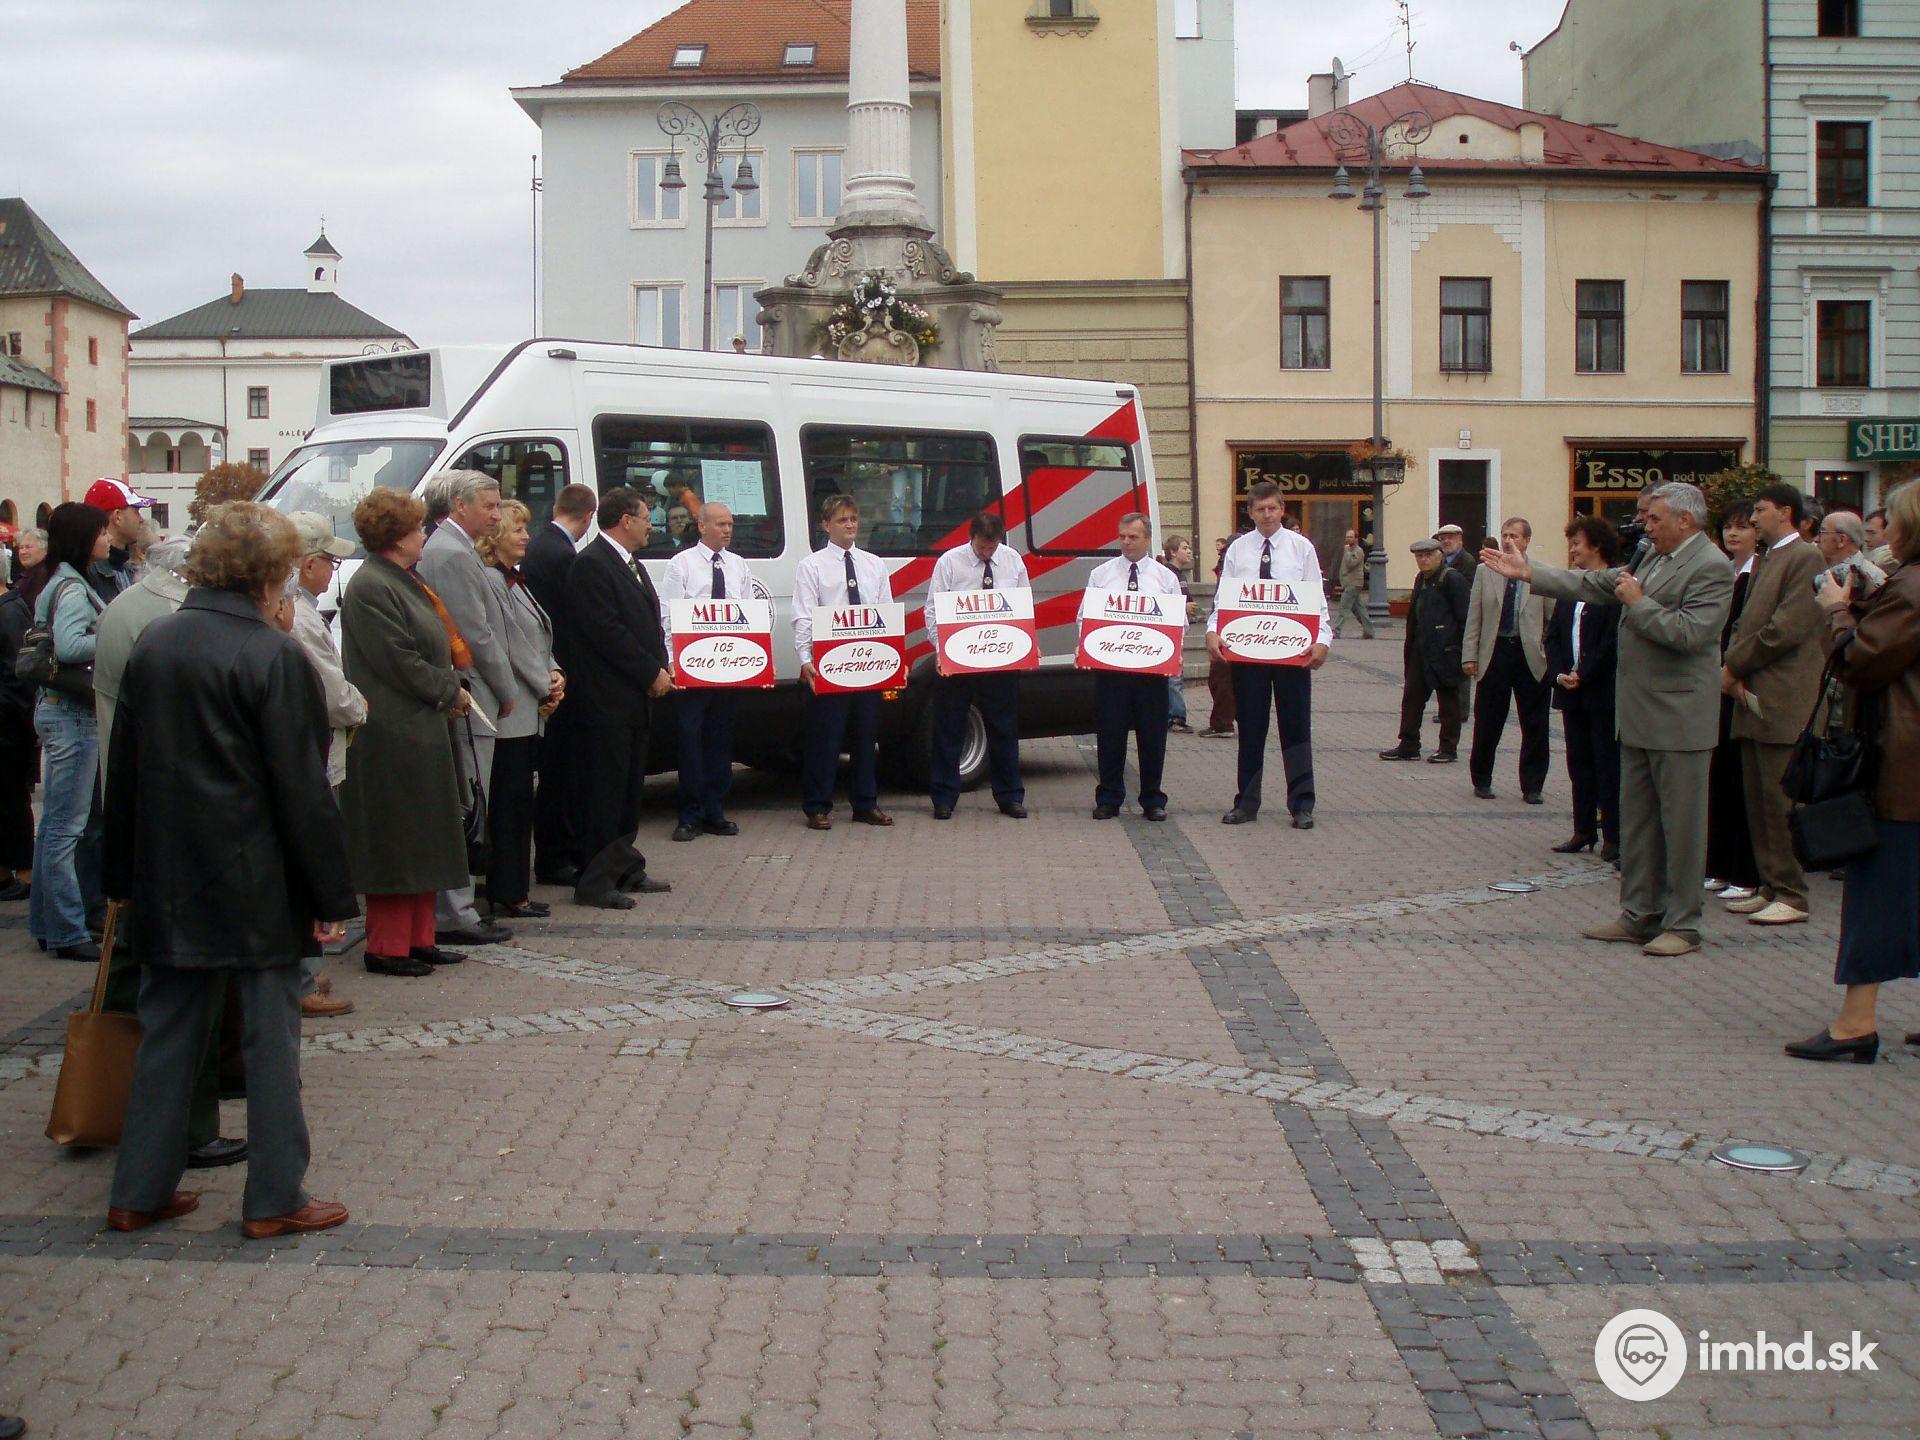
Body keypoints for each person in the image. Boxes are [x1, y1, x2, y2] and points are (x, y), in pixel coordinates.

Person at [102, 502, 358, 1241]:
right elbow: (301, 792)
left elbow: (126, 771)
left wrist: (119, 874)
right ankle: (275, 1193)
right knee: (269, 1044)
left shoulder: (157, 642)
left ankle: (138, 1188)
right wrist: (329, 893)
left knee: (169, 1035)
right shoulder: (274, 657)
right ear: (274, 574)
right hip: (256, 881)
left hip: (171, 873)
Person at [1481, 481, 1734, 957]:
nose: (1646, 525)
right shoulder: (1654, 558)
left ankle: (1684, 923)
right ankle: (1639, 914)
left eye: (1655, 518)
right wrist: (1529, 572)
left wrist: (1638, 602)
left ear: (1686, 520)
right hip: (1637, 712)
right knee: (1637, 822)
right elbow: (1596, 583)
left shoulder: (1711, 566)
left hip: (1679, 717)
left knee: (1680, 829)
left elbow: (1690, 634)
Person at [1784, 481, 1920, 1063]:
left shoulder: (1914, 585)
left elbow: (1861, 660)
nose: (1881, 532)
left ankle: (1855, 1023)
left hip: (1902, 769)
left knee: (1877, 894)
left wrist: (1839, 610)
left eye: (1888, 521)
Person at [339, 489, 473, 977]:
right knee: (398, 842)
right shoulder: (372, 585)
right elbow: (397, 659)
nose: (424, 535)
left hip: (420, 727)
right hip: (393, 732)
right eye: (418, 528)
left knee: (426, 839)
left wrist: (447, 690)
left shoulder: (402, 579)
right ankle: (386, 946)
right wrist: (450, 689)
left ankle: (420, 938)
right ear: (397, 536)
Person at [415, 471, 514, 949]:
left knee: (471, 802)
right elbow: (474, 632)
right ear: (459, 506)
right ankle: (455, 910)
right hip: (471, 695)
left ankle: (456, 906)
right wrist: (504, 684)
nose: (497, 515)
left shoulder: (453, 549)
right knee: (469, 803)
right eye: (490, 505)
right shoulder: (451, 553)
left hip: (470, 692)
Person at [1721, 483, 1825, 926]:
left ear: (1784, 512)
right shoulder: (1767, 558)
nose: (1753, 519)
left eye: (1760, 511)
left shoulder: (1805, 557)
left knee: (1779, 801)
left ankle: (1791, 892)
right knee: (1758, 800)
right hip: (1753, 695)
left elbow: (1786, 629)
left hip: (1782, 699)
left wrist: (1733, 664)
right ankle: (1769, 884)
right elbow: (1747, 619)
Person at [565, 486, 674, 908]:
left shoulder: (631, 563)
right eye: (646, 517)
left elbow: (648, 621)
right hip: (607, 701)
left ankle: (626, 867)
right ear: (625, 520)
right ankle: (594, 881)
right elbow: (606, 631)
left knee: (629, 790)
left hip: (635, 700)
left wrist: (661, 665)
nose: (652, 525)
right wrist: (650, 671)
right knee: (605, 791)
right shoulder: (591, 565)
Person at [1209, 482, 1332, 828]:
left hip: (1294, 653)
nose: (1267, 515)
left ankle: (1302, 804)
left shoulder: (1301, 548)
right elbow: (1224, 599)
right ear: (1249, 513)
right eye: (1260, 509)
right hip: (1248, 655)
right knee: (1250, 728)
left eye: (1272, 509)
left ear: (1282, 509)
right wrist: (1213, 631)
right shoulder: (1238, 551)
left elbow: (1317, 600)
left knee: (1296, 729)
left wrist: (1323, 639)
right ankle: (1246, 802)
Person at [285, 512, 365, 1020]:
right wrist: (360, 706)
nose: (332, 570)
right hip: (317, 751)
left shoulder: (300, 610)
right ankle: (302, 978)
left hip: (319, 748)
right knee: (309, 867)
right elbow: (332, 691)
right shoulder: (297, 615)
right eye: (330, 562)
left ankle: (303, 972)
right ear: (307, 562)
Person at [26, 503, 109, 961]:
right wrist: (113, 633)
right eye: (99, 531)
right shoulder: (72, 587)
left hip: (58, 709)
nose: (106, 537)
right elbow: (72, 644)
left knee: (54, 828)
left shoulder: (59, 580)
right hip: (72, 712)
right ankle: (66, 930)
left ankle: (48, 923)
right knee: (65, 828)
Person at [478, 500, 562, 920]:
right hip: (512, 713)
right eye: (518, 530)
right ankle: (508, 891)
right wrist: (546, 682)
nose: (527, 537)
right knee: (510, 805)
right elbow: (507, 642)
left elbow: (539, 634)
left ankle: (513, 888)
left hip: (530, 704)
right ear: (495, 538)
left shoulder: (516, 580)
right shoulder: (493, 581)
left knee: (518, 802)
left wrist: (554, 671)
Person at [794, 493, 893, 831]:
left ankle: (865, 803)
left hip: (867, 665)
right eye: (842, 520)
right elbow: (803, 616)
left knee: (867, 737)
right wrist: (805, 659)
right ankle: (817, 807)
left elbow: (885, 613)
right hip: (829, 665)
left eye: (853, 518)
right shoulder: (812, 566)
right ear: (826, 525)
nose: (850, 525)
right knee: (826, 739)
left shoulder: (873, 564)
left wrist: (892, 660)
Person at [926, 513, 1030, 820]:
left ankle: (1010, 796)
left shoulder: (1012, 561)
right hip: (958, 659)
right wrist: (941, 648)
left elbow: (1024, 605)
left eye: (992, 547)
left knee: (1004, 728)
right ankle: (944, 798)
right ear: (972, 537)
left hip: (1000, 658)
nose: (987, 553)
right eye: (982, 547)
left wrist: (1027, 640)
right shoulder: (950, 562)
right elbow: (933, 609)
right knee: (949, 728)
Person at [660, 502, 750, 843]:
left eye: (730, 524)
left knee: (721, 740)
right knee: (690, 740)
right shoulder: (681, 564)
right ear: (701, 526)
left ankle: (715, 810)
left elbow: (746, 616)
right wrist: (672, 661)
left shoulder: (738, 565)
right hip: (693, 667)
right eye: (721, 524)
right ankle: (689, 814)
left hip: (727, 668)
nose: (727, 530)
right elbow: (668, 616)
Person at [1084, 512, 1182, 820]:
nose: (1126, 542)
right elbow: (1085, 616)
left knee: (1153, 737)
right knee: (1110, 735)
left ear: (1147, 539)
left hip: (1151, 672)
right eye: (1122, 536)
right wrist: (1085, 644)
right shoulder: (1101, 574)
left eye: (1133, 537)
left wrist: (1174, 649)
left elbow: (1179, 620)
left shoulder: (1165, 577)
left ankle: (1153, 799)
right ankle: (1109, 797)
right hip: (1112, 671)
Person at [522, 482, 596, 887]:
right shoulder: (562, 554)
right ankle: (555, 857)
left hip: (549, 668)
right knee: (561, 772)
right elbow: (572, 620)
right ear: (590, 516)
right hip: (559, 672)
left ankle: (555, 852)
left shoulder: (543, 545)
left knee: (556, 770)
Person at [1544, 516, 1622, 862]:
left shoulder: (1614, 589)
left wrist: (1584, 674)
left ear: (1597, 546)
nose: (1573, 549)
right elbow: (1555, 635)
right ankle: (1583, 828)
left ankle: (1614, 835)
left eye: (1578, 543)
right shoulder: (1572, 586)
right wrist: (1562, 672)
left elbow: (1611, 642)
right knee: (1578, 762)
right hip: (1571, 690)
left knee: (1607, 763)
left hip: (1601, 691)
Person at [1462, 517, 1554, 803]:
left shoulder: (1541, 572)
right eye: (1504, 534)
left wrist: (1550, 653)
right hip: (1495, 651)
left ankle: (1533, 785)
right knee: (1488, 720)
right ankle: (1482, 778)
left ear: (1526, 541)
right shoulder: (1485, 571)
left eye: (1514, 535)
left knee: (1535, 723)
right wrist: (1470, 655)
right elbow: (1474, 616)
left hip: (1529, 655)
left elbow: (1554, 617)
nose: (1508, 540)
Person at [1704, 501, 1764, 902]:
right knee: (1718, 777)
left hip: (1740, 683)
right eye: (1728, 527)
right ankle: (1718, 864)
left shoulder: (1761, 573)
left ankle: (1746, 872)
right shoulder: (1725, 571)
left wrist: (1732, 670)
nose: (1733, 534)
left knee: (1742, 782)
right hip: (1714, 682)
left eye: (1742, 526)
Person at [93, 538, 191, 773]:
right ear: (181, 569)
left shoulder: (132, 599)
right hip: (144, 739)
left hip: (122, 727)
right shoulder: (168, 608)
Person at [1379, 538, 1469, 763]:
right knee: (1412, 698)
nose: (1424, 559)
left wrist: (1461, 650)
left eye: (1428, 555)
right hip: (1420, 648)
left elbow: (1464, 617)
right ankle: (1409, 745)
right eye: (1419, 556)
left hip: (1446, 650)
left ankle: (1448, 748)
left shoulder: (1452, 578)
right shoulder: (1421, 578)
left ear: (1440, 555)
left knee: (1448, 700)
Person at [0, 570, 36, 902]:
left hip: (9, 726)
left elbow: (19, 673)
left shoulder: (10, 612)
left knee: (11, 798)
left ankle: (24, 874)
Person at [81, 477, 156, 602]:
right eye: (136, 511)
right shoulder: (89, 574)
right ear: (117, 517)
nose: (141, 519)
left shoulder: (125, 568)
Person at [1197, 535, 1237, 739]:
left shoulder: (1235, 563)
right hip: (1225, 623)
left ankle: (1223, 723)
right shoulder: (1231, 563)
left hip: (1229, 627)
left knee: (1221, 679)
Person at [1161, 533, 1196, 732]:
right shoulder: (1169, 574)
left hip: (1181, 629)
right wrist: (1185, 606)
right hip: (1172, 632)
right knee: (1174, 676)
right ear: (1173, 552)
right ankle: (1176, 717)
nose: (1189, 551)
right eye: (1184, 547)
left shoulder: (1181, 575)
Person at [1815, 509, 1888, 597]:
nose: (1817, 539)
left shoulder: (1872, 579)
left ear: (1841, 540)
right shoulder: (1818, 567)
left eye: (1822, 532)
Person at [1332, 528, 1376, 639]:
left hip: (1354, 584)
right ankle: (1369, 631)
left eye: (1351, 537)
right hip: (1348, 583)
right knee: (1359, 609)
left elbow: (1351, 564)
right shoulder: (1348, 550)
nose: (1348, 539)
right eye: (1347, 537)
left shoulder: (1358, 551)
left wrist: (1347, 552)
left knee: (1344, 606)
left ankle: (1336, 630)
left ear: (1356, 539)